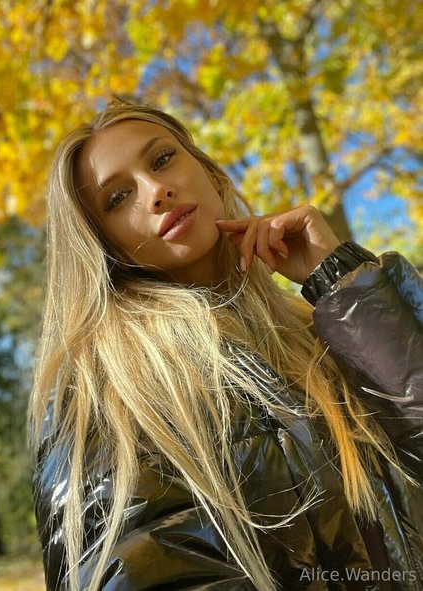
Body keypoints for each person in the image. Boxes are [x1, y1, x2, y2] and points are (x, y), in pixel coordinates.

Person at [30, 98, 423, 591]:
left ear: (211, 174)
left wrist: (340, 281)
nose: (156, 191)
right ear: (104, 246)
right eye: (118, 197)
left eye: (162, 159)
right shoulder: (107, 391)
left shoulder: (320, 326)